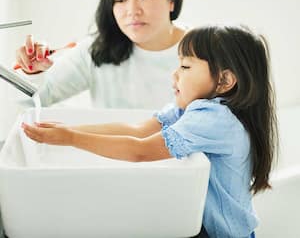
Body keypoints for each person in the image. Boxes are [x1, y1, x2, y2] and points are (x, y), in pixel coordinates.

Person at [22, 25, 279, 238]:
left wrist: (71, 139)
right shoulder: (194, 108)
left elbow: (140, 151)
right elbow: (139, 131)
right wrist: (71, 130)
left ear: (224, 81)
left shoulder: (215, 117)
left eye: (186, 67)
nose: (175, 74)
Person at [15, 0, 186, 109]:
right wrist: (35, 72)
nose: (133, 10)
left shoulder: (206, 51)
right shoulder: (98, 50)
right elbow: (32, 100)